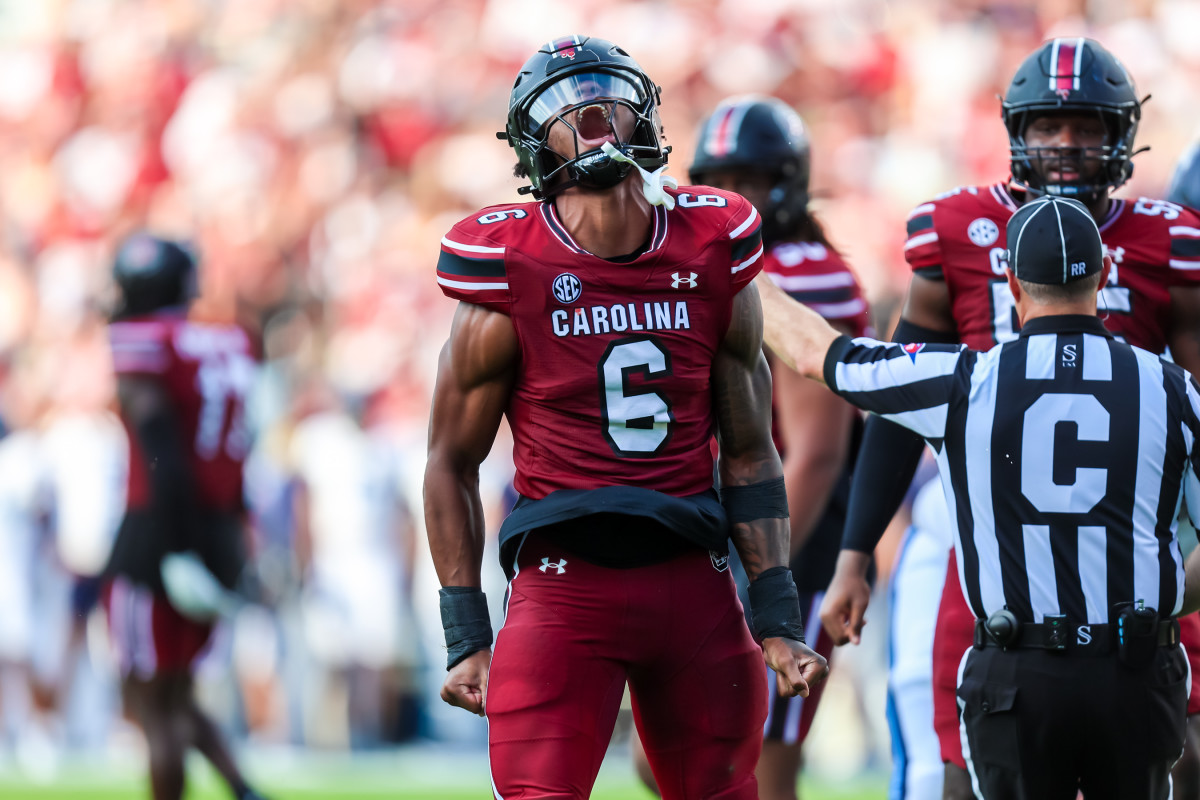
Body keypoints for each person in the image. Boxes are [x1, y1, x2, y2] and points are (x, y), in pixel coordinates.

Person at [424, 35, 828, 800]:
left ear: (644, 114)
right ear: (529, 144)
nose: (592, 118)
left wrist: (775, 612)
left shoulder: (713, 249)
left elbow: (749, 450)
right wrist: (465, 634)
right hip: (563, 586)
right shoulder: (508, 267)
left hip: (695, 582)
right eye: (564, 109)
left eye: (607, 96)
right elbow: (449, 460)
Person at [817, 37, 1200, 800]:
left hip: (1131, 531)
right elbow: (897, 412)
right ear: (1015, 133)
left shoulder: (1169, 240)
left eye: (1086, 127)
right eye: (1048, 127)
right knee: (963, 759)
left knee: (1179, 751)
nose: (1065, 146)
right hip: (989, 529)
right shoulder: (955, 229)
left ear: (1121, 134)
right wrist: (856, 548)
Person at [633, 94, 868, 800]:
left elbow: (817, 451)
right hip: (737, 518)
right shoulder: (730, 258)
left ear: (787, 182)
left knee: (759, 767)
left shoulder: (801, 271)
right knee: (680, 757)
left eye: (750, 181)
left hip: (797, 528)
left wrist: (763, 582)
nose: (732, 199)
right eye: (720, 181)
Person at [102, 234, 267, 800]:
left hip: (159, 533)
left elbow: (159, 443)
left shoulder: (144, 340)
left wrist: (174, 547)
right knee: (176, 691)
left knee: (153, 705)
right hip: (219, 529)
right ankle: (244, 790)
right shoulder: (230, 340)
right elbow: (237, 446)